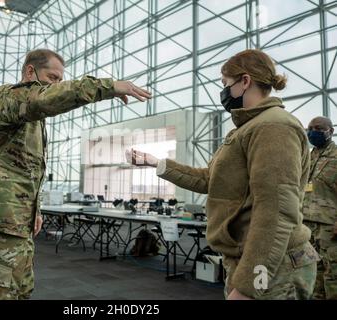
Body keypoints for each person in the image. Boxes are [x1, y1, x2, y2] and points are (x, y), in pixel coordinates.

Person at [126, 49, 320, 300]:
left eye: (226, 84)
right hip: (255, 258)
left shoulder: (273, 126)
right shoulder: (248, 127)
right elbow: (210, 179)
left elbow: (276, 210)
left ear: (245, 81)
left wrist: (251, 283)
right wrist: (156, 163)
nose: (224, 91)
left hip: (273, 265)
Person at [0, 48, 151, 300]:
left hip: (16, 221)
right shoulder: (5, 99)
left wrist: (34, 209)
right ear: (30, 71)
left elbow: (24, 171)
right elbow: (42, 99)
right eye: (52, 78)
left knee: (19, 290)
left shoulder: (31, 119)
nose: (57, 85)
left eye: (60, 80)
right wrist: (107, 86)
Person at [302, 116, 337, 299]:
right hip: (307, 225)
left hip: (330, 227)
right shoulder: (308, 156)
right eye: (309, 128)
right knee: (312, 273)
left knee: (333, 276)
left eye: (317, 128)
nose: (312, 131)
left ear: (330, 131)